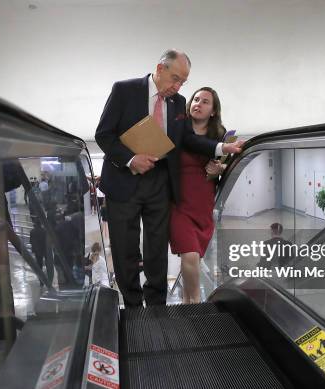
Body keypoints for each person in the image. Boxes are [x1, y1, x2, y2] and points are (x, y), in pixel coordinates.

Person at [95, 49, 243, 307]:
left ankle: (156, 306)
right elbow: (103, 135)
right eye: (175, 79)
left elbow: (187, 139)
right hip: (124, 182)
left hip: (159, 184)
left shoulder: (177, 103)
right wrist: (131, 159)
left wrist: (220, 148)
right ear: (160, 69)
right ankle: (132, 306)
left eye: (183, 82)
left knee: (156, 250)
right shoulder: (124, 90)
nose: (178, 87)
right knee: (125, 248)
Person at [169, 87, 227, 304]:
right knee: (190, 255)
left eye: (205, 102)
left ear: (213, 111)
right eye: (196, 99)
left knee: (191, 259)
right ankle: (195, 303)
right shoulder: (176, 130)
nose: (198, 104)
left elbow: (225, 169)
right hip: (179, 204)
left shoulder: (220, 136)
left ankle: (186, 302)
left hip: (203, 205)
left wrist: (219, 171)